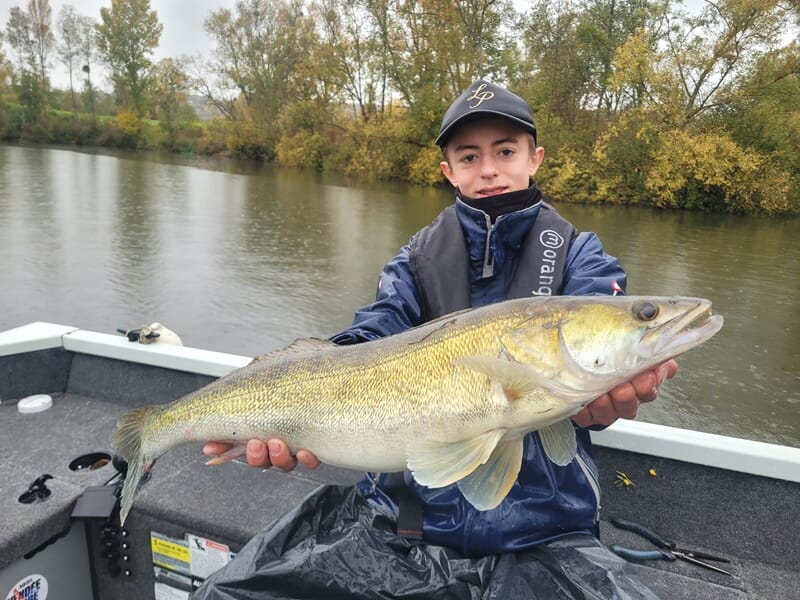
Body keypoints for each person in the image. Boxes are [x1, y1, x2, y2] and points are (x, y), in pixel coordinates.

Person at [199, 80, 678, 598]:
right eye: (469, 156)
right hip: (408, 520)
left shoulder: (581, 259)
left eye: (506, 151)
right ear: (448, 172)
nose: (489, 168)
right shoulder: (415, 260)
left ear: (535, 159)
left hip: (544, 530)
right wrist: (292, 412)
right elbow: (371, 334)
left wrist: (604, 402)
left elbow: (601, 378)